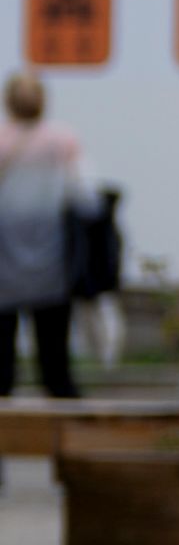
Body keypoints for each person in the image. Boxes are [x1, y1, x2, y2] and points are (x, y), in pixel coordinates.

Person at [0, 73, 84, 397]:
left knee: (1, 363)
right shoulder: (62, 140)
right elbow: (84, 196)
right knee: (54, 357)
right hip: (52, 256)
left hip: (4, 258)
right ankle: (66, 434)